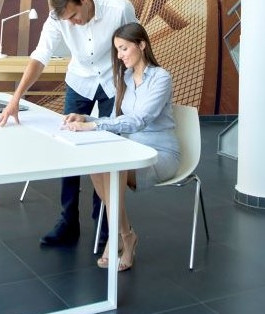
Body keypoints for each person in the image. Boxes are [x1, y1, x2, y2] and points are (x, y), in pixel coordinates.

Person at [0, 0, 137, 250]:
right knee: (68, 147)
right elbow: (41, 55)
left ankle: (105, 226)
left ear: (83, 0)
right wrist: (16, 98)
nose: (71, 24)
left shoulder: (119, 9)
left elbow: (135, 45)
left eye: (73, 16)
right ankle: (68, 221)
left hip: (113, 82)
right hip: (80, 81)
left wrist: (136, 89)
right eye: (66, 20)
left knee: (105, 151)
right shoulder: (57, 19)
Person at [62, 21, 181, 271]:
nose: (119, 56)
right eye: (117, 50)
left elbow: (139, 120)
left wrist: (94, 127)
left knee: (114, 167)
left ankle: (121, 237)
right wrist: (88, 119)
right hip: (131, 149)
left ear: (142, 45)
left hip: (159, 154)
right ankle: (125, 235)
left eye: (124, 48)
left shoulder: (161, 78)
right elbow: (118, 120)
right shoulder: (126, 77)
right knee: (97, 164)